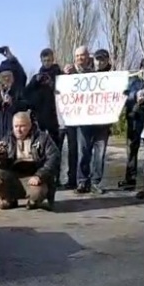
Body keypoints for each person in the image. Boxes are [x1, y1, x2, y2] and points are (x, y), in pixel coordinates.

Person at [0, 111, 60, 210]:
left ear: (30, 125)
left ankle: (34, 201)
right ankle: (9, 199)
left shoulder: (43, 138)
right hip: (14, 177)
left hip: (34, 177)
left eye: (22, 126)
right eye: (16, 126)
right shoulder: (7, 139)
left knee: (37, 193)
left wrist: (40, 176)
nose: (19, 130)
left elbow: (54, 158)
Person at [0, 49, 29, 175]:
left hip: (13, 133)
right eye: (3, 77)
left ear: (14, 78)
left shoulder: (19, 91)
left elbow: (24, 106)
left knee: (13, 163)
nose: (6, 79)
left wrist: (12, 103)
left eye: (8, 77)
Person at [75, 49, 112, 194]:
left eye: (103, 59)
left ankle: (96, 182)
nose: (100, 62)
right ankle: (82, 181)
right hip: (84, 123)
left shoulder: (113, 77)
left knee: (99, 155)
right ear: (93, 60)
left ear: (107, 60)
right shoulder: (84, 75)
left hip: (103, 124)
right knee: (83, 152)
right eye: (97, 59)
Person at [60, 45, 94, 190]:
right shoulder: (67, 72)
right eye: (78, 56)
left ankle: (83, 180)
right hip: (70, 117)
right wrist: (65, 74)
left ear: (88, 57)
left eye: (82, 55)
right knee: (72, 149)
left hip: (85, 117)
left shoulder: (93, 74)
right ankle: (71, 179)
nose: (80, 58)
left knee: (84, 149)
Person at [24, 48, 62, 146]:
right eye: (44, 61)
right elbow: (26, 94)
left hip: (57, 118)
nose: (46, 63)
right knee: (40, 147)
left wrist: (52, 85)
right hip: (41, 118)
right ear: (41, 61)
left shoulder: (60, 75)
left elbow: (65, 91)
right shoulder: (37, 78)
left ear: (53, 59)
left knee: (56, 146)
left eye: (49, 60)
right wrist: (35, 82)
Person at [118, 59, 144, 193]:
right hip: (135, 117)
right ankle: (130, 179)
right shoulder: (133, 80)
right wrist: (135, 96)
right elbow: (124, 95)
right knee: (132, 150)